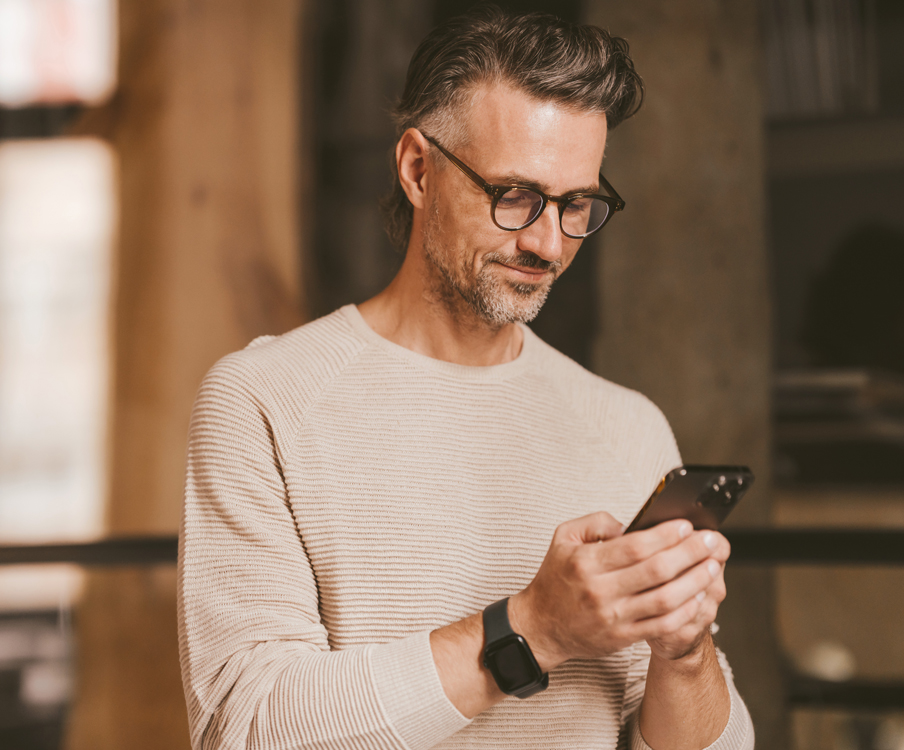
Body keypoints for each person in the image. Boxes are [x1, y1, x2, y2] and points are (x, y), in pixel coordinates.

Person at [178, 8, 754, 750]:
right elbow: (246, 727)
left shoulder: (629, 425)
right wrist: (533, 630)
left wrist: (685, 650)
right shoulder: (263, 400)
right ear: (418, 170)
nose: (548, 243)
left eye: (577, 204)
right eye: (515, 195)